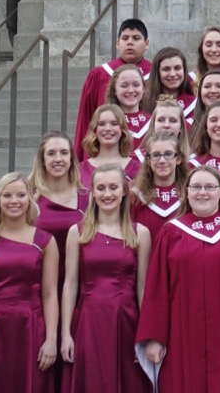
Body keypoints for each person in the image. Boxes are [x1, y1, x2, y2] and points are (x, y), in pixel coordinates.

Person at [136, 166, 220, 393]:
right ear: (186, 193)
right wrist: (155, 337)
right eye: (196, 187)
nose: (202, 192)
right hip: (182, 335)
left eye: (209, 187)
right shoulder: (171, 232)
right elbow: (157, 289)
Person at [61, 165, 150, 393]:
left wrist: (146, 334)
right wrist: (65, 335)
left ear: (123, 191)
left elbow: (142, 289)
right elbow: (70, 285)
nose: (107, 194)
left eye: (113, 187)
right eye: (101, 188)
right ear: (92, 192)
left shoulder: (140, 233)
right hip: (88, 321)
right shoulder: (78, 232)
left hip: (126, 320)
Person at [0, 172, 59, 392]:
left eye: (20, 195)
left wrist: (51, 339)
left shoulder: (45, 241)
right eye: (7, 195)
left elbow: (49, 294)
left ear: (30, 198)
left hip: (31, 327)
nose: (14, 201)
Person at [29, 133, 88, 390]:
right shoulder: (30, 200)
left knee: (72, 357)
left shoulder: (89, 198)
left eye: (64, 152)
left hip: (79, 290)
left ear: (72, 159)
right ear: (42, 160)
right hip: (42, 292)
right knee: (43, 360)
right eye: (51, 153)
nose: (58, 159)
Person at [73, 19, 151, 160]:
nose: (130, 42)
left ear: (147, 44)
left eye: (136, 38)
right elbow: (86, 120)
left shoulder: (157, 74)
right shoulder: (99, 75)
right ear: (117, 43)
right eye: (125, 38)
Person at [132, 133, 188, 239]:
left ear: (178, 159)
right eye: (156, 155)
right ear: (148, 161)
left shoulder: (190, 194)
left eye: (168, 154)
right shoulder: (135, 196)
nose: (162, 161)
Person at [79, 104, 139, 188]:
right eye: (101, 124)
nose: (107, 128)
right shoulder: (80, 170)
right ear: (95, 129)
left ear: (122, 129)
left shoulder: (138, 169)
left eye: (114, 123)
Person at [104, 63, 151, 146]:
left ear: (143, 88)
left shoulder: (153, 122)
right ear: (115, 90)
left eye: (136, 85)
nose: (131, 90)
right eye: (124, 86)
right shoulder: (104, 124)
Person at [143, 47, 195, 117]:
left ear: (184, 70)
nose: (173, 74)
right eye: (166, 69)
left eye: (177, 68)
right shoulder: (144, 104)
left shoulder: (195, 104)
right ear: (157, 72)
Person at [187, 68, 220, 141]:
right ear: (200, 92)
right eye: (207, 86)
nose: (213, 91)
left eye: (219, 86)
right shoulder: (187, 126)